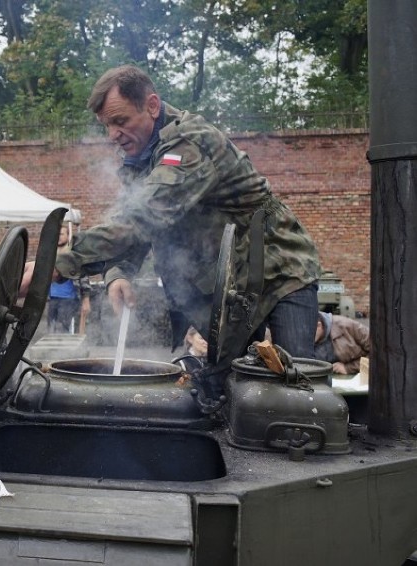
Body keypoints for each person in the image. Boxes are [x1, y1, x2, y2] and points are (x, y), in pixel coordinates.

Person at [31, 64, 321, 369]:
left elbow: (144, 217)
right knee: (228, 387)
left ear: (152, 106)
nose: (113, 135)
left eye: (120, 121)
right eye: (106, 125)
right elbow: (135, 220)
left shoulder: (189, 144)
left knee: (297, 387)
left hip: (281, 273)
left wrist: (56, 262)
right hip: (232, 290)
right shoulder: (140, 158)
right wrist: (119, 272)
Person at [47, 225, 91, 333]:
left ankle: (62, 350)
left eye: (61, 234)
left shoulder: (73, 254)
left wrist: (86, 299)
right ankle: (52, 350)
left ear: (68, 236)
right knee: (50, 329)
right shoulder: (50, 254)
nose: (58, 237)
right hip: (52, 298)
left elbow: (84, 276)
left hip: (68, 299)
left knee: (62, 329)